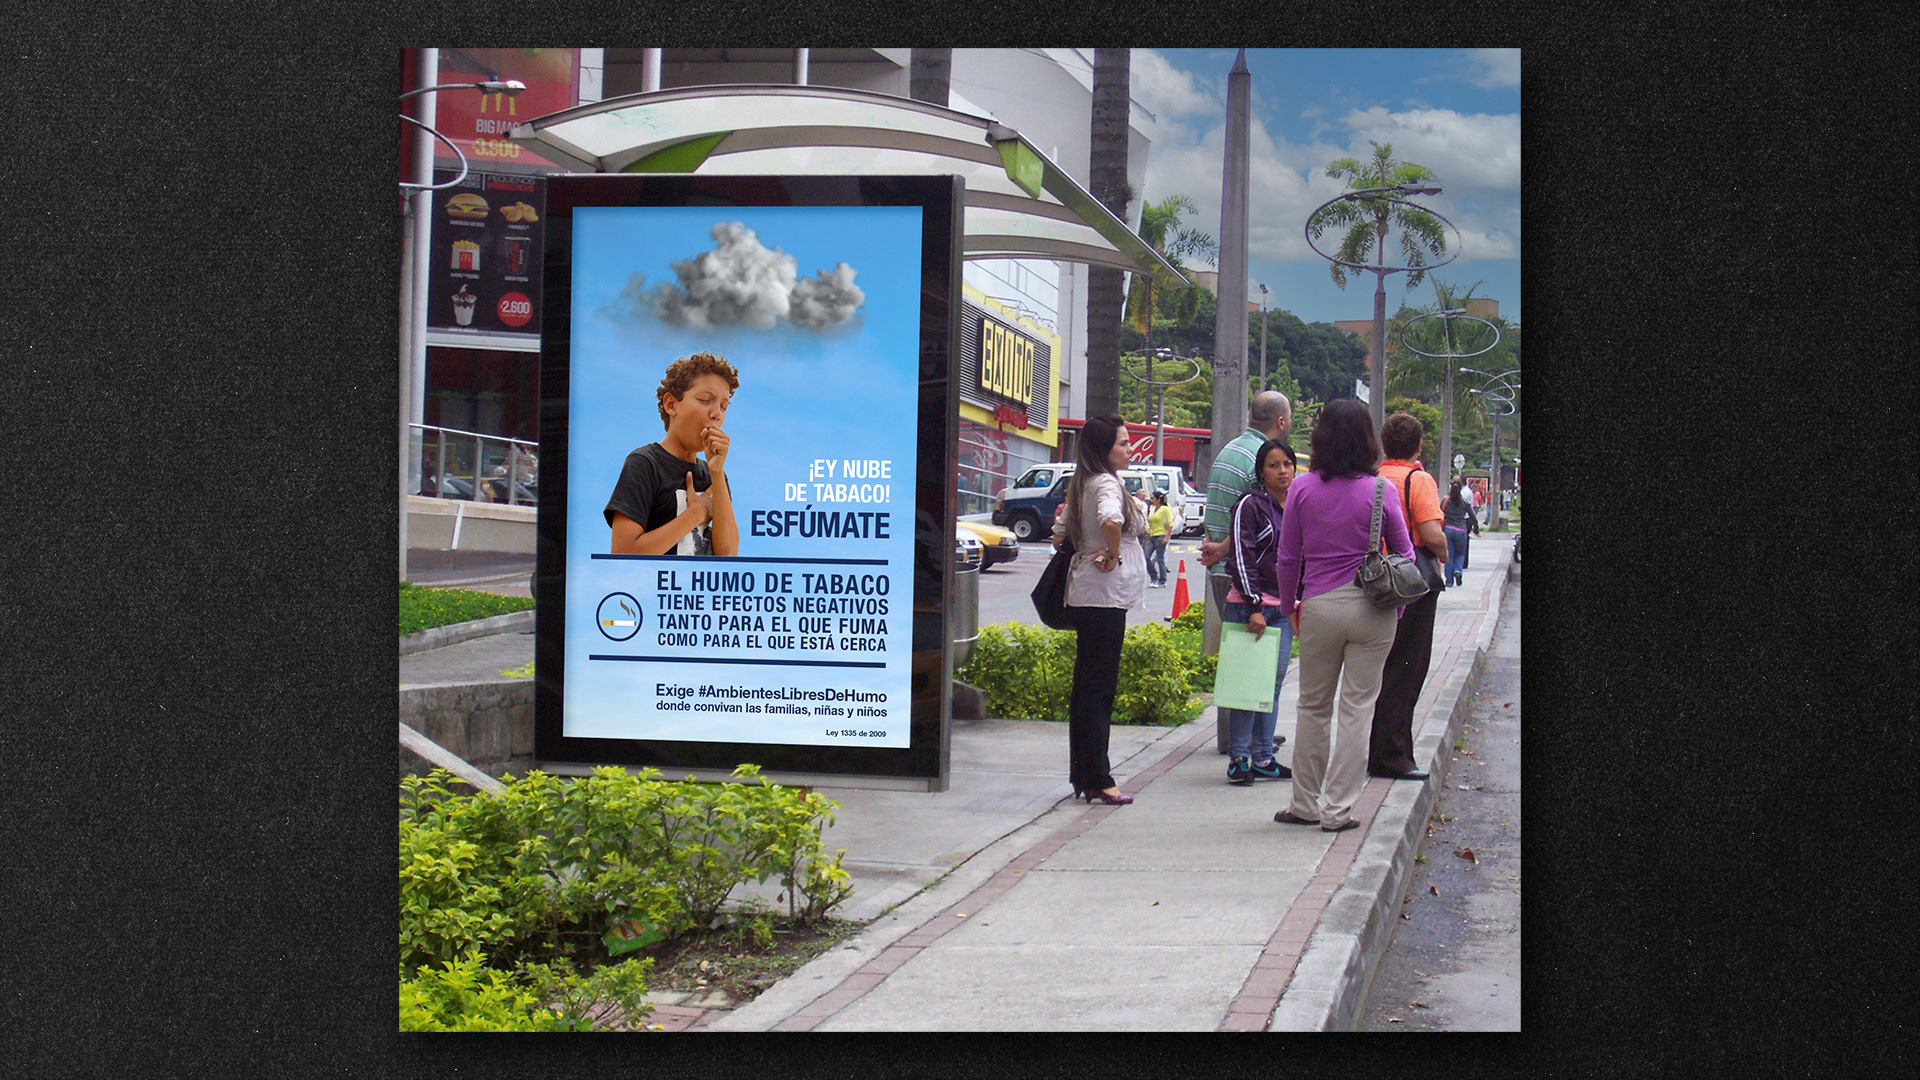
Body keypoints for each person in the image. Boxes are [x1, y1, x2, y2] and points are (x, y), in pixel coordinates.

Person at [1270, 398, 1414, 833]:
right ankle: (1338, 811)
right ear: (1368, 439)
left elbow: (1287, 557)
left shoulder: (1302, 488)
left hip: (1319, 607)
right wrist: (1398, 608)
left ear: (1321, 437)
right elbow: (1405, 553)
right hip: (1373, 609)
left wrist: (1290, 605)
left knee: (1313, 706)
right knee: (1357, 708)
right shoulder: (1381, 490)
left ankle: (1304, 804)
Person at [1051, 413, 1148, 806]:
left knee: (1086, 688)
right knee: (1099, 690)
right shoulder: (1107, 483)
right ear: (1103, 449)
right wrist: (1109, 552)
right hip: (1104, 597)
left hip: (1086, 594)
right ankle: (1099, 778)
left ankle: (1084, 772)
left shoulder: (1084, 483)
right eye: (1123, 443)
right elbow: (1112, 519)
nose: (1129, 449)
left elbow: (1060, 535)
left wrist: (1092, 549)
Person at [1197, 390, 1293, 756]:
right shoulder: (1257, 458)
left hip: (1229, 570)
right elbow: (1246, 525)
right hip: (1242, 576)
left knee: (1246, 665)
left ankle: (1250, 744)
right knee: (1252, 668)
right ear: (1280, 422)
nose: (1281, 470)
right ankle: (1244, 747)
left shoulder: (1231, 449)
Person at [1366, 412, 1449, 782]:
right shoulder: (1419, 479)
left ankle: (1375, 748)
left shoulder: (1372, 478)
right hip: (1411, 585)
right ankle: (1393, 754)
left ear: (1385, 445)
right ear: (1417, 447)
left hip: (1374, 583)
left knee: (1379, 671)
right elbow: (1431, 533)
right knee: (1407, 669)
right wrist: (1445, 552)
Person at [604, 351, 739, 556]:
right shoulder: (644, 464)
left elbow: (728, 556)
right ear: (671, 405)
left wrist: (718, 473)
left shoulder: (716, 476)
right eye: (704, 399)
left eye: (723, 406)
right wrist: (695, 514)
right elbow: (623, 553)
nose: (717, 414)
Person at [1220, 439, 1300, 785]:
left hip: (1283, 609)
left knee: (1272, 686)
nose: (1282, 471)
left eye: (1287, 464)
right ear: (1261, 471)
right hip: (1248, 608)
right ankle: (1239, 759)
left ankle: (1264, 756)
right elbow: (1241, 555)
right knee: (1246, 686)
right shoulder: (1250, 505)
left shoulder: (1298, 504)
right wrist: (1253, 605)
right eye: (1273, 465)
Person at [1442, 476, 1480, 587]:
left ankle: (1449, 581)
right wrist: (1476, 529)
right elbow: (1473, 517)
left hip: (1448, 529)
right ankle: (1458, 570)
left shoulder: (1446, 501)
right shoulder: (1464, 502)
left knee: (1450, 555)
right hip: (1461, 530)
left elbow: (1439, 512)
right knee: (1460, 554)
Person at [1144, 491, 1173, 588]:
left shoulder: (1165, 509)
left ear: (1158, 500)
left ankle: (1162, 580)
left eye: (1153, 499)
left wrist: (1166, 537)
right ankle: (1154, 577)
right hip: (1152, 536)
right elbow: (1150, 522)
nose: (1151, 500)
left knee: (1160, 558)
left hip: (1161, 535)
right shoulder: (1152, 509)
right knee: (1146, 556)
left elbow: (1170, 524)